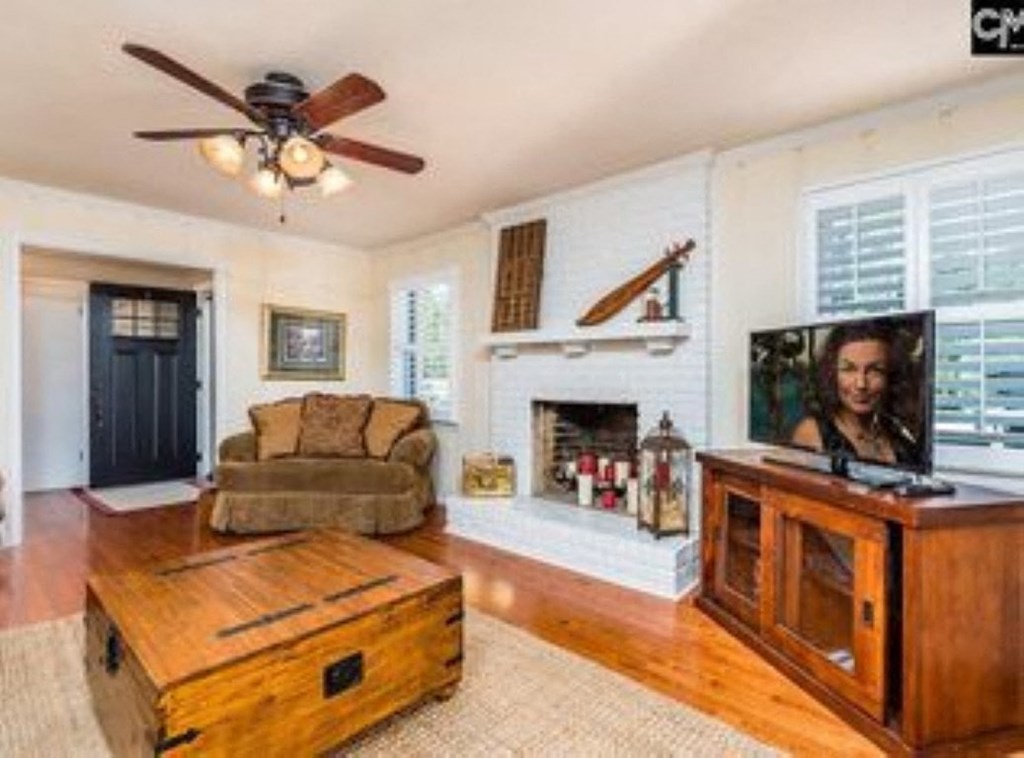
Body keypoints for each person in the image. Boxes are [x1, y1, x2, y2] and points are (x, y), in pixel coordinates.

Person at [791, 321, 920, 466]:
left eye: (875, 370)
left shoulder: (898, 433)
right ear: (832, 374)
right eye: (849, 369)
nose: (861, 384)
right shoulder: (813, 432)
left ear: (891, 375)